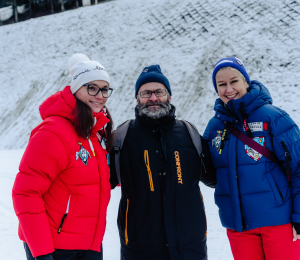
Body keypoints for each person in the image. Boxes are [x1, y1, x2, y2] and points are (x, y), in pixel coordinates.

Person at [12, 53, 114, 260]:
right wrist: (42, 253)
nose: (100, 95)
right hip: (55, 248)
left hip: (89, 245)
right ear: (76, 90)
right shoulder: (53, 132)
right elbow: (26, 193)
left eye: (104, 89)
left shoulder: (93, 134)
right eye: (92, 88)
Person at [109, 65, 216, 260]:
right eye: (146, 93)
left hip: (190, 247)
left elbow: (217, 177)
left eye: (159, 91)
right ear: (137, 98)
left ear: (169, 95)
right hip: (139, 248)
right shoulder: (121, 139)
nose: (153, 98)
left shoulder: (189, 134)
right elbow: (95, 182)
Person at [203, 56, 300, 260]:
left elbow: (298, 168)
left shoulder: (273, 118)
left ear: (246, 81)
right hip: (239, 227)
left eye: (234, 81)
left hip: (278, 222)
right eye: (222, 84)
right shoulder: (215, 127)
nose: (229, 89)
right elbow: (209, 171)